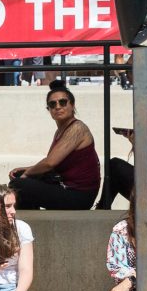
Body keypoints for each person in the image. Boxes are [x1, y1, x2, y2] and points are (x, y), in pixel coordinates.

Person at [9, 78, 101, 211]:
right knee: (19, 177)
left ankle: (26, 224)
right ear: (49, 109)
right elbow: (54, 163)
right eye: (52, 104)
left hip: (79, 195)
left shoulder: (78, 128)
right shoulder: (60, 131)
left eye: (63, 102)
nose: (58, 107)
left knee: (19, 184)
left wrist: (27, 173)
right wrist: (26, 169)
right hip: (65, 186)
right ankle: (31, 220)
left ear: (72, 105)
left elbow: (49, 163)